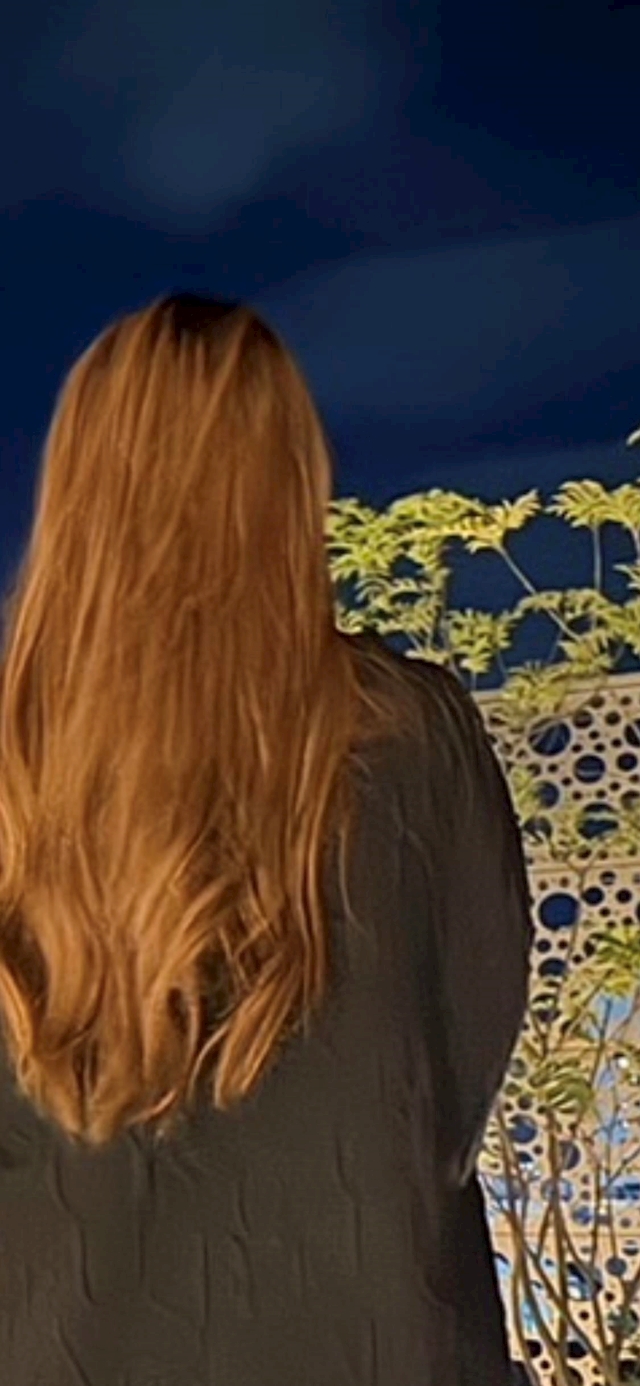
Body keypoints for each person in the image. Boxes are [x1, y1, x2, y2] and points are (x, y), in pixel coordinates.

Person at [0, 293, 533, 1385]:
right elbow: (466, 1059)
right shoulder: (413, 733)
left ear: (79, 486)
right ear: (291, 482)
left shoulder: (15, 759)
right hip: (375, 1338)